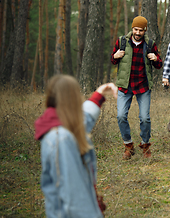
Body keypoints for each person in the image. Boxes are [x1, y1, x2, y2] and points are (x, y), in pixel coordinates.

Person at [34, 75, 118, 218]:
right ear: (73, 99)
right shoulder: (61, 140)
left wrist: (99, 95)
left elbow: (84, 120)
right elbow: (75, 197)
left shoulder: (61, 124)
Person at [111, 16, 162, 159]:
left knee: (145, 118)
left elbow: (159, 65)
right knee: (121, 116)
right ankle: (128, 145)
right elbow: (112, 60)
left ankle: (145, 146)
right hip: (125, 85)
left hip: (142, 85)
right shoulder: (122, 42)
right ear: (132, 29)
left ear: (145, 30)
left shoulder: (150, 44)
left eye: (140, 30)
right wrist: (115, 56)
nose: (137, 33)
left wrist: (155, 59)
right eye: (135, 29)